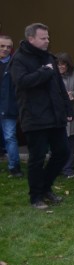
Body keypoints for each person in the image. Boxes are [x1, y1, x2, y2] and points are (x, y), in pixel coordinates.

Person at [9, 24, 72, 208]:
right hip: (34, 117)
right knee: (37, 158)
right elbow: (21, 82)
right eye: (43, 38)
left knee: (62, 152)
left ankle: (45, 187)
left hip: (55, 116)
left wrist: (67, 109)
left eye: (47, 37)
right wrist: (43, 72)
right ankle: (35, 196)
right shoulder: (19, 59)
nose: (47, 41)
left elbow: (60, 86)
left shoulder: (49, 58)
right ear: (31, 39)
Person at [56, 52, 74, 178]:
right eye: (58, 64)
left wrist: (73, 94)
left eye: (63, 64)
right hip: (56, 115)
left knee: (70, 144)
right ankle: (57, 168)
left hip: (72, 113)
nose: (61, 66)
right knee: (56, 144)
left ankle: (68, 170)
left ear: (68, 65)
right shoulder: (51, 76)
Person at [0, 34, 22, 178]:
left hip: (8, 107)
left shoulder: (14, 65)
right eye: (2, 46)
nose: (6, 49)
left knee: (10, 137)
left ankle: (14, 168)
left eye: (8, 47)